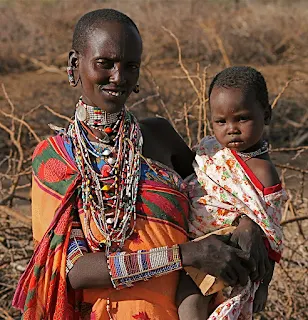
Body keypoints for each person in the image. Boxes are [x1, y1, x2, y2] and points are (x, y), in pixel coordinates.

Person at [12, 10, 270, 320]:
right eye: (104, 64)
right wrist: (185, 255)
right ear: (74, 65)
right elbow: (75, 270)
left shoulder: (160, 136)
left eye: (130, 66)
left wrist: (249, 223)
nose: (118, 77)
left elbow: (216, 202)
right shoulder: (56, 159)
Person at [177, 66, 287, 320]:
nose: (232, 129)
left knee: (190, 295)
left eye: (242, 118)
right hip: (192, 240)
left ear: (266, 114)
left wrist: (264, 286)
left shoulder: (264, 173)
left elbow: (270, 234)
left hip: (226, 249)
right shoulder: (211, 150)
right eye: (221, 121)